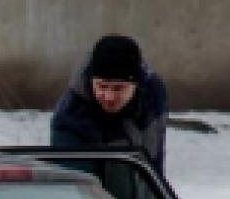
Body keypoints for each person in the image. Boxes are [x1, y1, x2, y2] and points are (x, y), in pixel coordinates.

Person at [50, 34, 168, 175]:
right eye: (101, 86)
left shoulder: (153, 95)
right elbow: (77, 185)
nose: (109, 97)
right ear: (90, 80)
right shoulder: (71, 116)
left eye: (119, 88)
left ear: (136, 84)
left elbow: (155, 165)